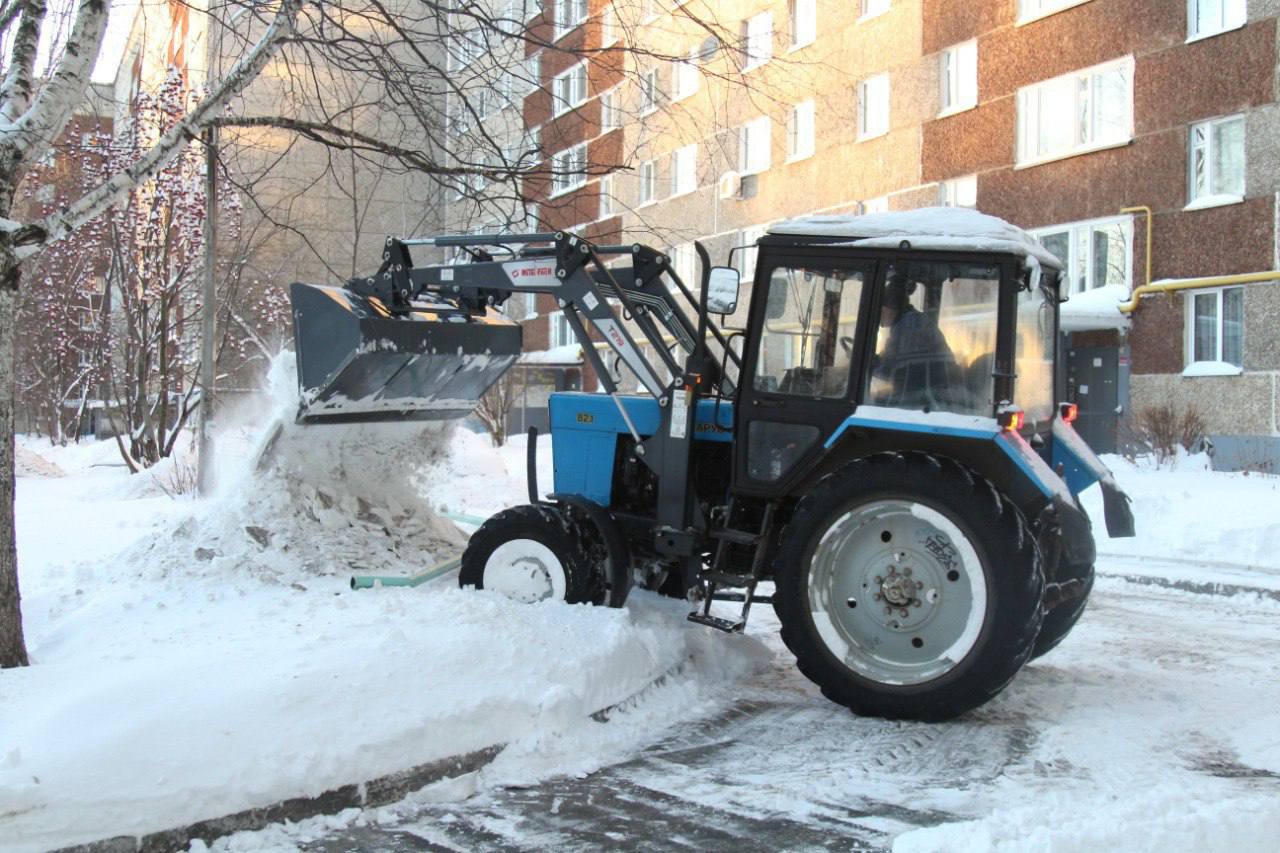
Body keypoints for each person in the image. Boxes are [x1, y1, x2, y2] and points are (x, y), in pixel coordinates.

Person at [871, 270, 960, 408]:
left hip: (922, 394)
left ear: (891, 308)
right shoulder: (916, 320)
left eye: (881, 310)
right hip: (934, 387)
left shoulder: (907, 327)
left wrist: (868, 364)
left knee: (875, 401)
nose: (879, 316)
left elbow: (889, 370)